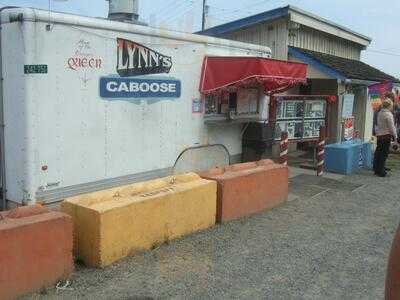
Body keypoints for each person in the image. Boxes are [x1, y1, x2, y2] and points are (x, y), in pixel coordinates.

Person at [373, 99, 398, 177]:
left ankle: (377, 169)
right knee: (384, 154)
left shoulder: (380, 113)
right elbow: (391, 127)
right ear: (389, 106)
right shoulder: (388, 114)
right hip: (386, 136)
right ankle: (381, 171)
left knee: (378, 152)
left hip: (379, 135)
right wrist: (395, 136)